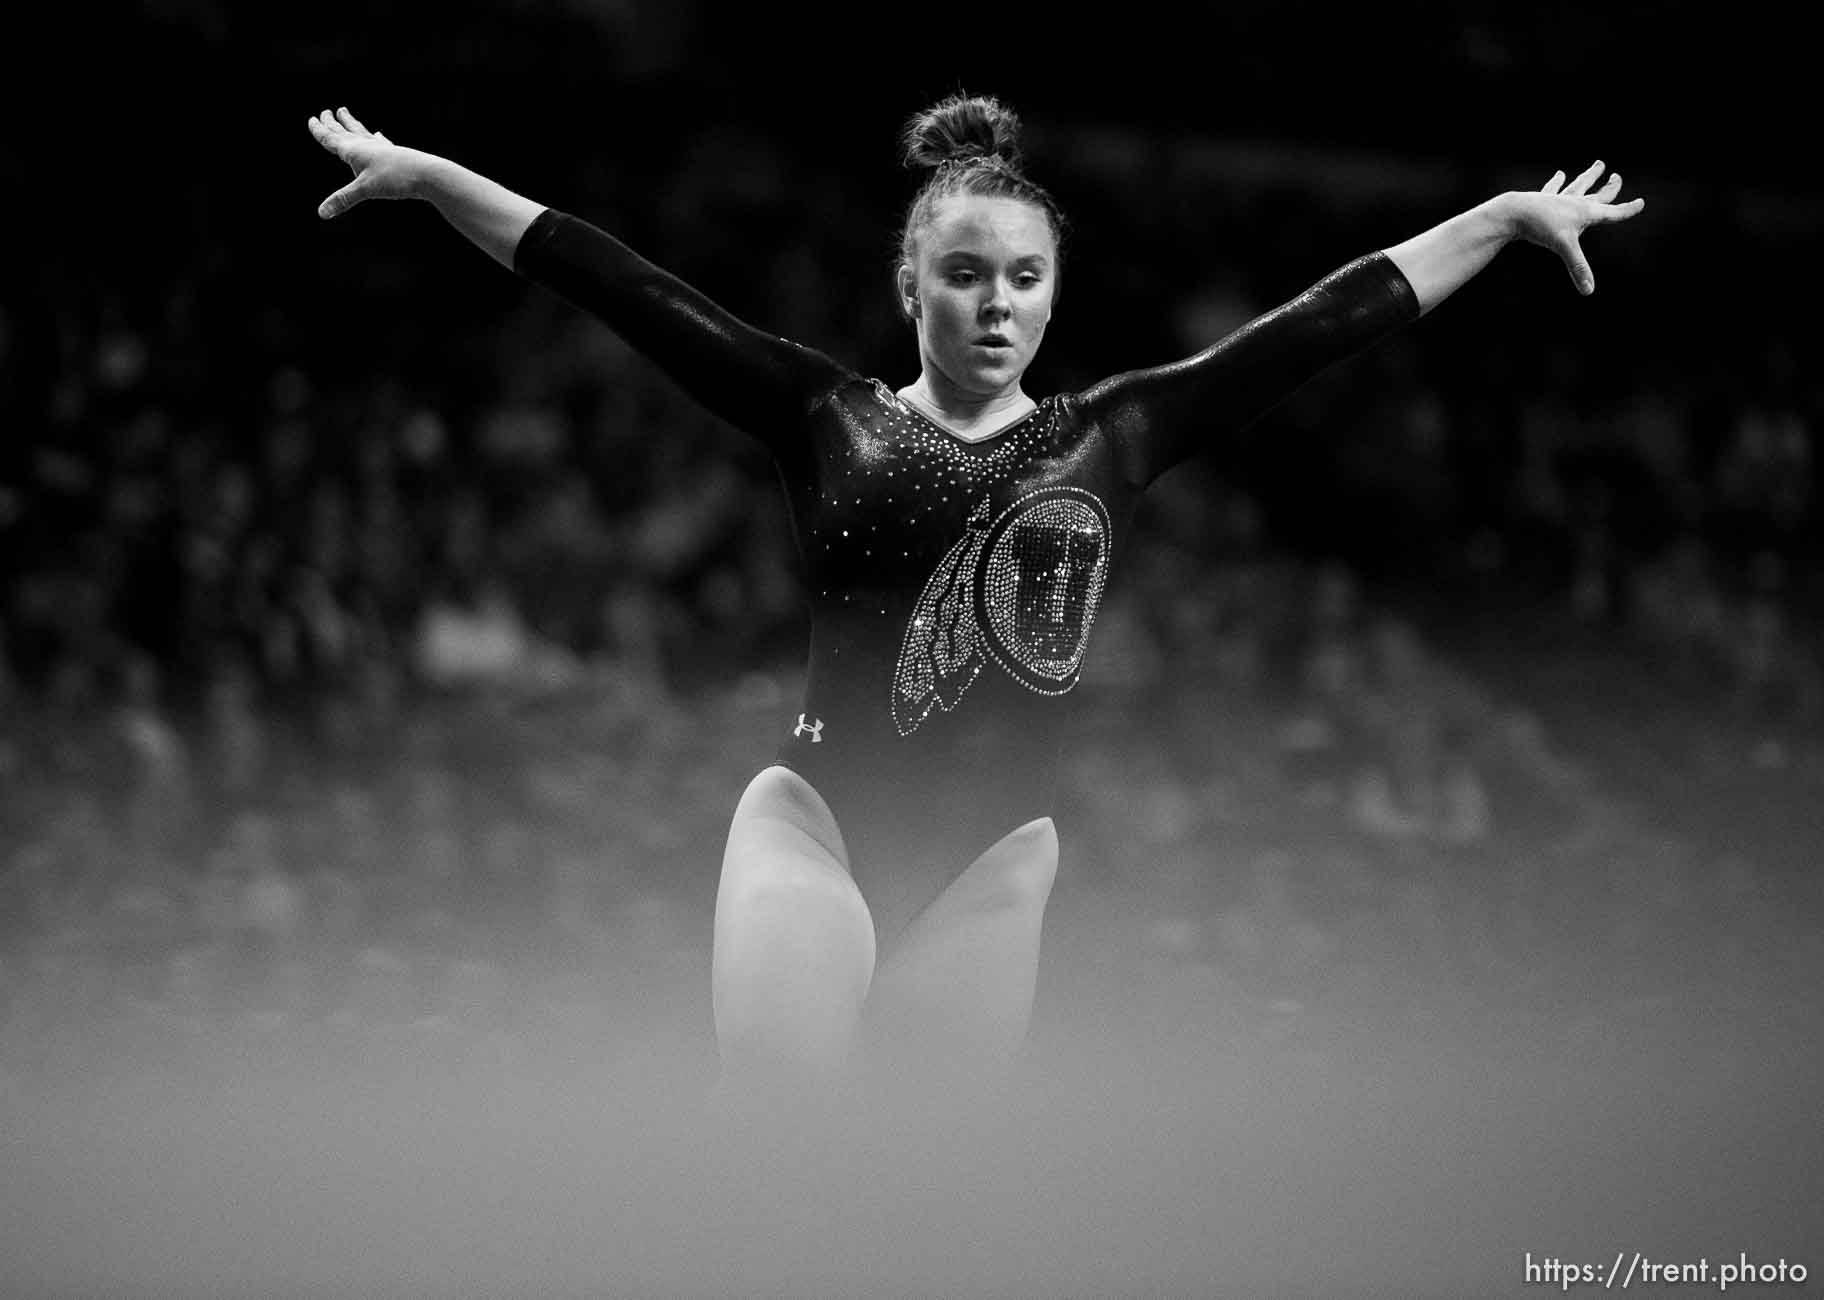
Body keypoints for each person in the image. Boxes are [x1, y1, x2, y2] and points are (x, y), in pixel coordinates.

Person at [307, 97, 1642, 1105]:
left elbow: (1324, 320)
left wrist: (1506, 218)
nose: (995, 302)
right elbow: (619, 284)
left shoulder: (1116, 433)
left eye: (1024, 278)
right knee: (778, 1148)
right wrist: (431, 183)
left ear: (1055, 292)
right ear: (911, 284)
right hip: (815, 829)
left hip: (994, 865)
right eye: (964, 275)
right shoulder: (818, 409)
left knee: (921, 1205)